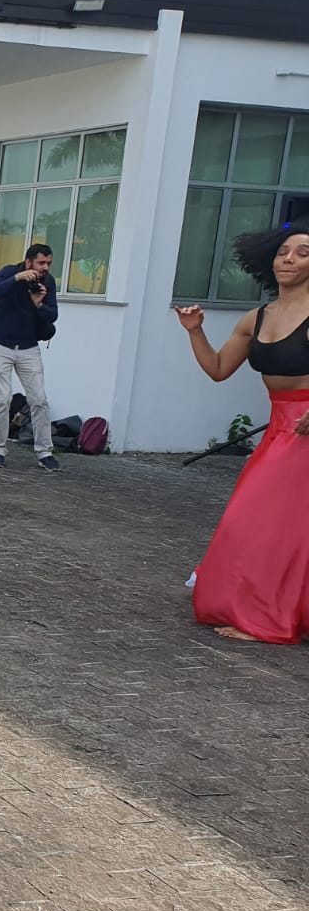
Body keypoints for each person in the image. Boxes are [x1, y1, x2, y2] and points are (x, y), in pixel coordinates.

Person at [177, 221, 309, 644]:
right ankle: (271, 609)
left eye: (303, 253)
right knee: (267, 526)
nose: (289, 259)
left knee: (269, 526)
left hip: (305, 429)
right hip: (280, 430)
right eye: (283, 251)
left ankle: (268, 618)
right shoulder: (257, 317)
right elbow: (217, 369)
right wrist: (195, 331)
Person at [0, 243, 61, 472]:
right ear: (28, 262)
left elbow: (53, 315)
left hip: (28, 347)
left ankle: (45, 452)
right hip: (0, 343)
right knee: (2, 398)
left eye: (48, 263)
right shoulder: (10, 272)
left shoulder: (48, 282)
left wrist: (39, 305)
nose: (45, 268)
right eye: (41, 263)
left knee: (39, 399)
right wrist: (17, 278)